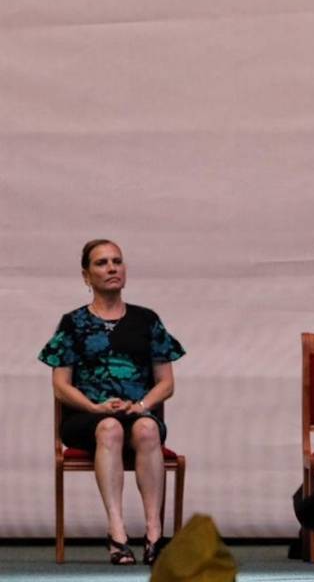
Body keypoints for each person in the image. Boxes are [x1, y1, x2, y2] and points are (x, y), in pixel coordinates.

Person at [39, 240, 185, 566]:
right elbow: (60, 386)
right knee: (110, 428)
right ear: (86, 275)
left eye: (117, 261)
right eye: (102, 263)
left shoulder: (147, 320)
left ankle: (153, 534)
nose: (112, 268)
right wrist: (94, 407)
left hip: (135, 412)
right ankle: (116, 531)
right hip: (87, 417)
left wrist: (142, 404)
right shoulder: (73, 323)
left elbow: (167, 383)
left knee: (148, 429)